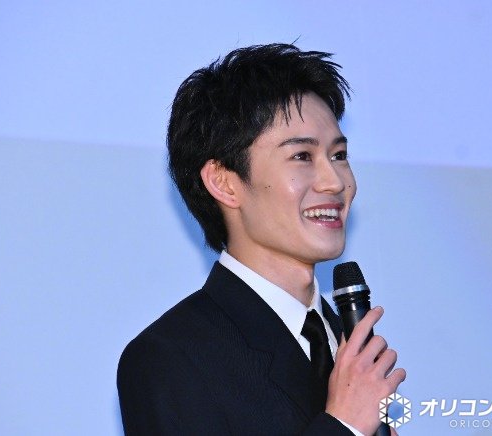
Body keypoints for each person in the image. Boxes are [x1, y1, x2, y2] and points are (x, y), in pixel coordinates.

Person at [117, 43, 406, 435]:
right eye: (302, 156)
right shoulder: (170, 356)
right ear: (224, 182)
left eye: (339, 155)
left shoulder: (348, 344)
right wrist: (344, 425)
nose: (336, 182)